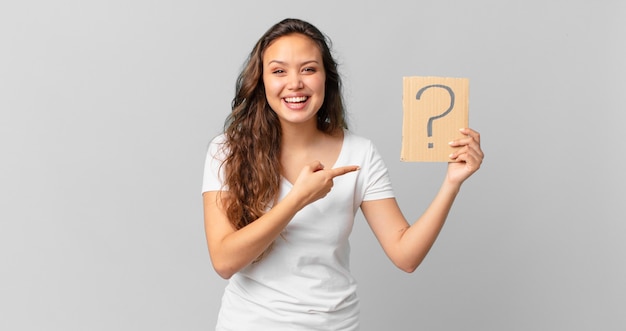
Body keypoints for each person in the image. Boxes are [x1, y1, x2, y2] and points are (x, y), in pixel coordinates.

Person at [202, 18, 483, 330]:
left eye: (308, 69)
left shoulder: (359, 153)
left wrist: (451, 183)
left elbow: (406, 256)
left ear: (326, 78)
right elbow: (224, 261)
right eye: (279, 71)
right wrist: (298, 199)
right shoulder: (227, 150)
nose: (295, 83)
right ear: (262, 81)